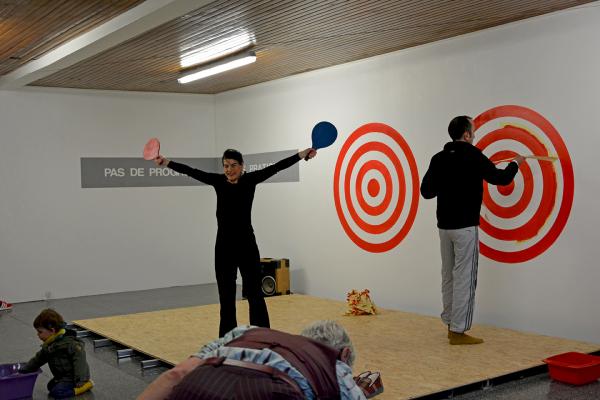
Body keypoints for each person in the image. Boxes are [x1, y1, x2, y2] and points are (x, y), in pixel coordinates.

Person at [154, 148, 316, 337]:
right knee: (226, 298)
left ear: (242, 166)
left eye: (233, 165)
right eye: (225, 166)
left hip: (247, 246)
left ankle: (262, 336)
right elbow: (191, 171)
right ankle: (227, 339)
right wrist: (166, 162)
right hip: (223, 248)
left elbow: (277, 167)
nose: (229, 170)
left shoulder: (250, 180)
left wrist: (301, 155)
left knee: (255, 294)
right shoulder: (218, 182)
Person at [420, 116, 524, 345]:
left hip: (444, 228)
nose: (474, 135)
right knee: (465, 278)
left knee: (448, 275)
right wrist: (516, 163)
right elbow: (501, 178)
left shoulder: (438, 158)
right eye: (473, 131)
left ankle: (450, 323)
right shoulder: (473, 155)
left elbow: (426, 192)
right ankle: (458, 331)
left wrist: (446, 180)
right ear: (466, 135)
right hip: (465, 227)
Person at [137, 320, 367, 400]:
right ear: (344, 354)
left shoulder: (245, 332)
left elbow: (176, 374)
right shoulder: (336, 368)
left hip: (195, 388)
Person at [18, 308, 93, 398]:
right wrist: (23, 370)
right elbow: (38, 360)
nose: (37, 335)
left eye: (40, 332)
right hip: (62, 376)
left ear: (52, 330)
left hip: (73, 378)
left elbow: (80, 362)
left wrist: (81, 380)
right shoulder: (49, 345)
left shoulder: (70, 344)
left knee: (57, 393)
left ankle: (85, 386)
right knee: (50, 386)